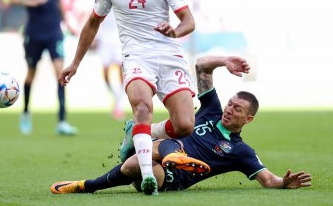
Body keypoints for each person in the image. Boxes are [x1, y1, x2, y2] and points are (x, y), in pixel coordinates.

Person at [58, 0, 196, 194]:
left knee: (184, 125)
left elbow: (189, 21)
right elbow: (92, 24)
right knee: (142, 106)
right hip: (136, 55)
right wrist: (75, 63)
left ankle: (139, 132)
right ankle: (147, 175)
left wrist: (175, 32)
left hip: (169, 54)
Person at [51, 55, 312, 194]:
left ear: (248, 119)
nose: (229, 110)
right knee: (165, 143)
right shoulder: (212, 110)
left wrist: (283, 182)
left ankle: (86, 186)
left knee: (135, 163)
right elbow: (201, 67)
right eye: (231, 104)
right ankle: (171, 153)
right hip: (156, 154)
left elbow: (268, 179)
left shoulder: (240, 151)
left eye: (237, 109)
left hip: (173, 178)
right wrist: (225, 61)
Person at [10, 0, 77, 136]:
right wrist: (31, 1)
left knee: (61, 74)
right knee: (31, 73)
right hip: (34, 32)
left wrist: (67, 23)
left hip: (54, 32)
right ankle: (25, 112)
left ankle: (62, 121)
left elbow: (58, 3)